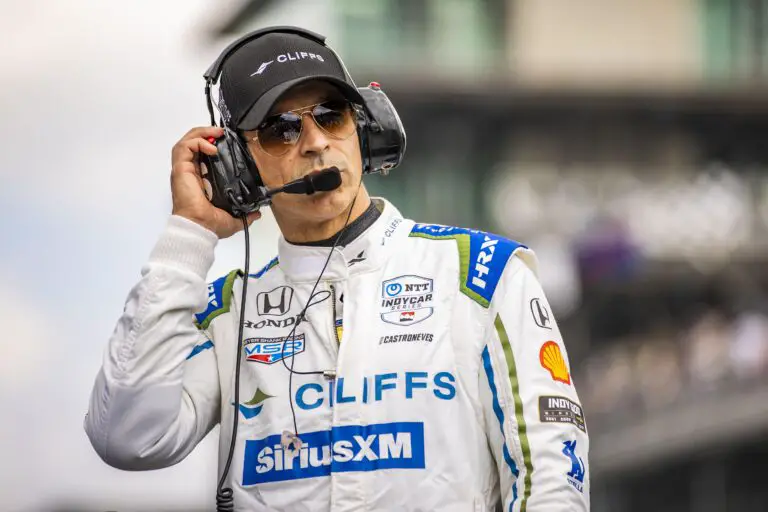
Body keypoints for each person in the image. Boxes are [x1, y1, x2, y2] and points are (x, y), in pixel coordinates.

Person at [84, 27, 590, 511]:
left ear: (365, 128)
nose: (316, 142)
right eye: (281, 129)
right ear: (236, 161)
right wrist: (188, 234)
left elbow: (550, 478)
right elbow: (127, 438)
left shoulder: (482, 275)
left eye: (331, 115)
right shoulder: (226, 314)